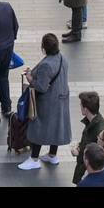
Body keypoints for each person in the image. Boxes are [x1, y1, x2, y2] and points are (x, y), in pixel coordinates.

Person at [19, 32, 71, 171]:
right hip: (62, 98)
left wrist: (30, 78)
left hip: (48, 102)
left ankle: (34, 159)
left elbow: (41, 87)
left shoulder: (47, 64)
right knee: (56, 127)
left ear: (44, 47)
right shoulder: (62, 58)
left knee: (38, 128)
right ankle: (52, 155)